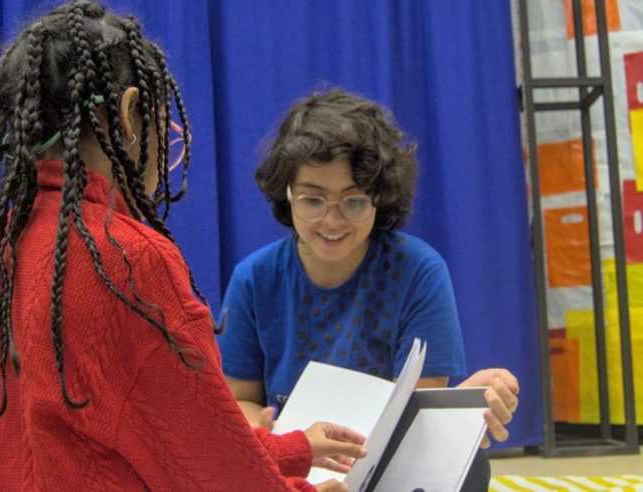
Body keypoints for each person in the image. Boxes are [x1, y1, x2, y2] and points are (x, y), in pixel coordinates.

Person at [0, 3, 367, 491]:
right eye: (164, 120)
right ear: (130, 113)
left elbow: (161, 440)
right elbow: (216, 478)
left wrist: (295, 450)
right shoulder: (126, 261)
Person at [217, 89, 520, 488]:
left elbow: (419, 410)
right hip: (295, 466)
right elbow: (241, 400)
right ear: (286, 196)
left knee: (472, 467)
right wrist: (266, 432)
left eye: (354, 201)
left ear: (380, 197)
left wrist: (467, 411)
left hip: (384, 462)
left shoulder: (419, 271)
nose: (332, 220)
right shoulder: (254, 278)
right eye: (313, 200)